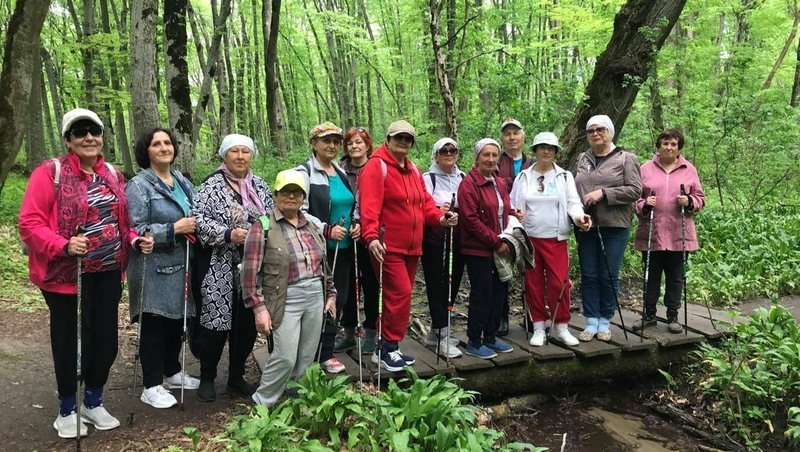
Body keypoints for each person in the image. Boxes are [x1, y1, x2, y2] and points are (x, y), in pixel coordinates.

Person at [19, 108, 153, 438]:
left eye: (94, 130)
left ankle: (94, 401)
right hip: (66, 273)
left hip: (108, 272)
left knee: (105, 339)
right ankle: (67, 409)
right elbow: (29, 223)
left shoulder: (113, 174)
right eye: (79, 132)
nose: (88, 137)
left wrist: (135, 239)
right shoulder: (50, 173)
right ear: (68, 140)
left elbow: (121, 222)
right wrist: (63, 245)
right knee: (70, 341)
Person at [358, 120, 458, 372]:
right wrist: (370, 238)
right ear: (388, 139)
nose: (403, 142)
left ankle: (390, 346)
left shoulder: (412, 169)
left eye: (408, 138)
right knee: (398, 293)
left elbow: (424, 203)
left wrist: (439, 218)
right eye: (398, 137)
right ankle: (386, 349)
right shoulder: (376, 167)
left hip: (412, 246)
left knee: (401, 296)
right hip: (386, 245)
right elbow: (369, 206)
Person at [244, 170, 337, 407]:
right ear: (275, 195)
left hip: (315, 295)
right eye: (285, 191)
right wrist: (259, 309)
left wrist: (331, 294)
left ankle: (300, 400)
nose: (291, 196)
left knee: (308, 355)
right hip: (284, 297)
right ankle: (262, 403)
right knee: (285, 356)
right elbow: (249, 274)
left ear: (303, 197)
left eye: (296, 192)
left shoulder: (312, 226)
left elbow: (323, 265)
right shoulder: (263, 226)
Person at [193, 134, 275, 402]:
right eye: (234, 152)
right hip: (218, 265)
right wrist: (228, 234)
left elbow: (272, 219)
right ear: (224, 156)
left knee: (246, 324)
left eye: (245, 152)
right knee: (215, 323)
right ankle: (207, 376)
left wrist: (258, 234)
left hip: (252, 266)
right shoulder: (210, 186)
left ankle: (236, 376)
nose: (240, 157)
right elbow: (199, 220)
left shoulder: (260, 186)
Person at [126, 127, 200, 409]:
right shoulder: (138, 185)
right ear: (146, 151)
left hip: (181, 263)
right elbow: (135, 229)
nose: (164, 148)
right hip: (152, 266)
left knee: (176, 322)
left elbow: (197, 212)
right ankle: (151, 384)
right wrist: (173, 228)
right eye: (156, 144)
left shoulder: (180, 180)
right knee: (154, 322)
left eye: (167, 143)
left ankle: (171, 372)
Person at [510, 132, 592, 347]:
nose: (546, 151)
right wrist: (516, 219)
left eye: (551, 148)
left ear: (556, 152)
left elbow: (573, 203)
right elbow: (513, 205)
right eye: (541, 147)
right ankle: (538, 327)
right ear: (535, 151)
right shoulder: (523, 177)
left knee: (560, 283)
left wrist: (579, 217)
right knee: (533, 284)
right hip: (530, 239)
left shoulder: (564, 176)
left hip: (556, 239)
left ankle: (562, 326)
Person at [295, 121, 360, 374]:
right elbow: (298, 211)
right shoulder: (304, 173)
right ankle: (308, 354)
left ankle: (326, 353)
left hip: (342, 249)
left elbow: (350, 206)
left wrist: (356, 224)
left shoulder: (341, 172)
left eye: (335, 141)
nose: (332, 145)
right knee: (316, 300)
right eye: (326, 141)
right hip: (315, 250)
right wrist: (325, 229)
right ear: (314, 143)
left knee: (338, 299)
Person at [574, 115, 642, 342]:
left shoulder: (626, 158)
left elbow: (635, 190)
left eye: (600, 129)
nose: (595, 134)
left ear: (610, 132)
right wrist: (577, 213)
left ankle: (605, 321)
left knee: (608, 274)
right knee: (589, 274)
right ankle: (590, 320)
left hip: (614, 225)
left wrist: (604, 194)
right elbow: (574, 189)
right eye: (590, 130)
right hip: (586, 225)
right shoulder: (583, 158)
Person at [634, 129, 706, 333]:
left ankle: (673, 315)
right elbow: (635, 199)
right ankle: (648, 314)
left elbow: (701, 198)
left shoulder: (689, 169)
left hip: (679, 234)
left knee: (675, 277)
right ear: (658, 146)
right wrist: (645, 204)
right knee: (651, 274)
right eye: (665, 143)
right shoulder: (645, 169)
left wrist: (690, 201)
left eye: (674, 144)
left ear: (679, 148)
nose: (669, 147)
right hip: (652, 233)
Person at [458, 138, 516, 359]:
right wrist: (495, 242)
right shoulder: (469, 184)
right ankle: (474, 341)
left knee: (499, 294)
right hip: (479, 249)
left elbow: (504, 210)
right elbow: (470, 220)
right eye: (486, 155)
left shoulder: (500, 182)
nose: (491, 159)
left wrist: (512, 220)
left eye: (494, 155)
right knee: (482, 294)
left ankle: (490, 337)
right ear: (477, 157)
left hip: (501, 246)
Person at [335, 127, 381, 356]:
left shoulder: (377, 168)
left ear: (367, 145)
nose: (354, 146)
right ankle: (350, 333)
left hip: (370, 235)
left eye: (359, 142)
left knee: (371, 284)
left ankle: (372, 332)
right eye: (350, 143)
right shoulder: (338, 170)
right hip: (344, 235)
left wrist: (364, 225)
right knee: (348, 285)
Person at [420, 138, 466, 358]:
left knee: (452, 286)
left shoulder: (463, 177)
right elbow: (423, 206)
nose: (449, 153)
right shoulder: (428, 179)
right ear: (435, 155)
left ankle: (436, 333)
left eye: (453, 150)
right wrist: (440, 209)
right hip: (435, 242)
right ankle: (442, 335)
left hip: (457, 241)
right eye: (444, 150)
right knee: (437, 287)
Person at [495, 118, 533, 335]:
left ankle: (530, 315)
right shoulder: (496, 162)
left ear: (522, 137)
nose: (511, 137)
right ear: (502, 138)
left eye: (515, 133)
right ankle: (502, 318)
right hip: (502, 224)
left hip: (530, 222)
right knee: (503, 269)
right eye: (507, 134)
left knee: (528, 270)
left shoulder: (532, 162)